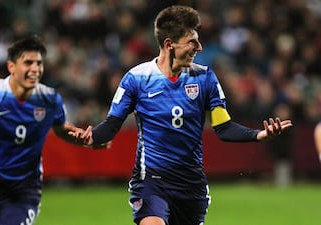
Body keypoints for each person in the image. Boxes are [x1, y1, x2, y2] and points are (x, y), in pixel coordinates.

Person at [75, 5, 293, 225]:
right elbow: (112, 124)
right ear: (169, 44)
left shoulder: (205, 78)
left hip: (191, 183)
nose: (199, 47)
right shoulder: (136, 78)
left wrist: (259, 134)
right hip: (152, 179)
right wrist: (92, 136)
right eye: (192, 41)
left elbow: (224, 128)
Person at [0, 36, 107, 225]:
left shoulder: (50, 99)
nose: (35, 69)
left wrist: (90, 140)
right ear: (11, 67)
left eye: (39, 63)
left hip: (23, 192)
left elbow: (61, 131)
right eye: (28, 63)